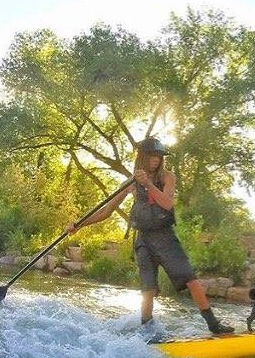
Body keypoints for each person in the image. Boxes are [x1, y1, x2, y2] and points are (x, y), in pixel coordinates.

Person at [66, 137, 234, 334]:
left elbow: (168, 204)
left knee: (190, 279)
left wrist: (148, 185)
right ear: (142, 157)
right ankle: (147, 330)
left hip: (165, 238)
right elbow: (106, 212)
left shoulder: (167, 177)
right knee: (148, 289)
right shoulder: (129, 183)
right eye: (153, 156)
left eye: (159, 156)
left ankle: (213, 324)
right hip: (143, 240)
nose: (157, 159)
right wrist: (78, 225)